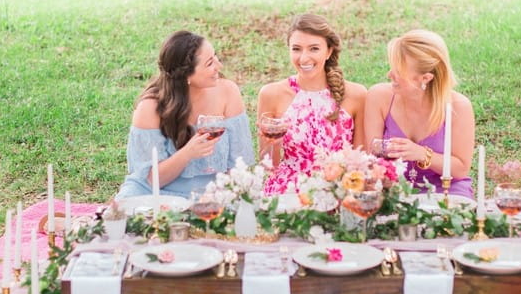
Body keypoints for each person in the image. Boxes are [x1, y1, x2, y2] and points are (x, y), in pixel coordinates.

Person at [116, 30, 254, 200]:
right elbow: (150, 180)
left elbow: (240, 164)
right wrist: (188, 153)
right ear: (186, 75)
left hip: (214, 192)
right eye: (210, 63)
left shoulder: (228, 91)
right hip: (159, 192)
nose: (219, 66)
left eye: (215, 56)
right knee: (123, 208)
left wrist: (222, 195)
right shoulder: (150, 107)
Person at [257, 13, 366, 195]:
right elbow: (269, 167)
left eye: (314, 49)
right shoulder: (271, 94)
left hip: (339, 191)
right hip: (289, 193)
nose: (304, 58)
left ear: (329, 51)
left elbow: (361, 160)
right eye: (296, 49)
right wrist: (273, 144)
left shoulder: (357, 95)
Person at [364, 29, 474, 197]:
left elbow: (460, 169)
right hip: (393, 188)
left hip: (445, 191)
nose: (389, 74)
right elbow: (370, 154)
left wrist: (422, 154)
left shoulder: (458, 107)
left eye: (398, 72)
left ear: (426, 78)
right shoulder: (379, 97)